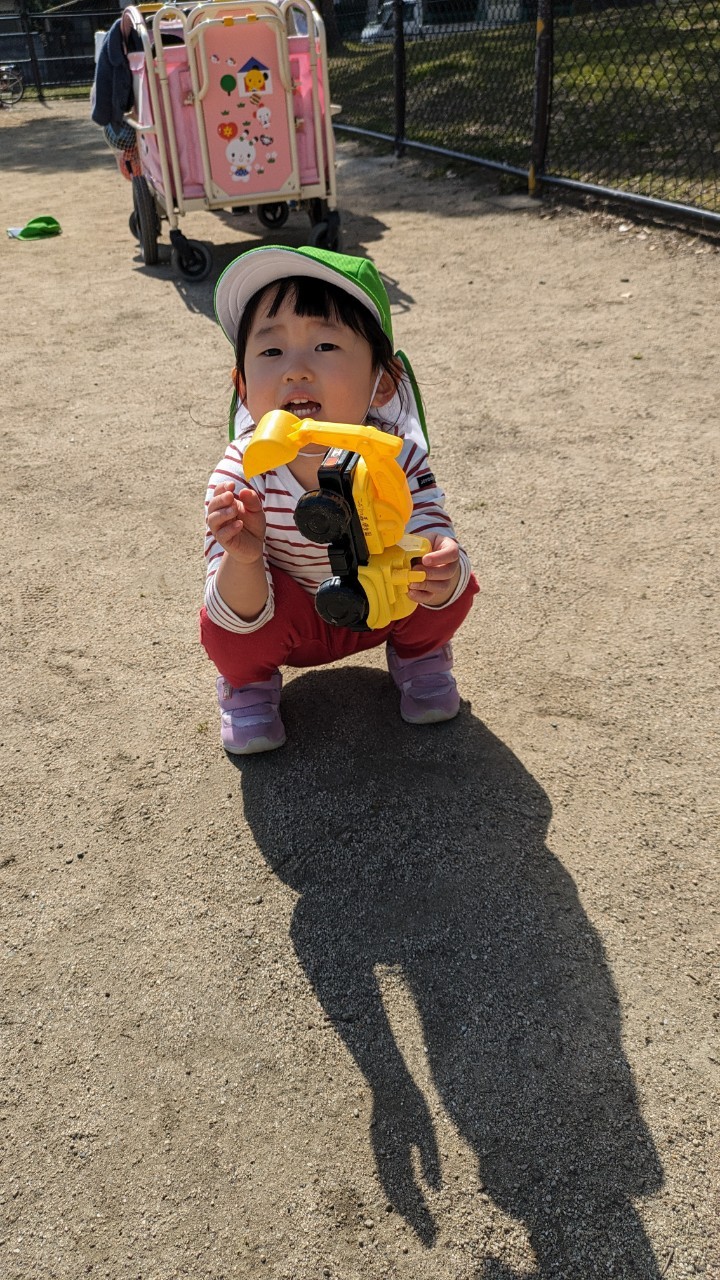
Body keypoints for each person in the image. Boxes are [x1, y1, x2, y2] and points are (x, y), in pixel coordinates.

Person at [200, 245, 479, 754]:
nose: (296, 370)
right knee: (223, 624)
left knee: (453, 575)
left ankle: (419, 657)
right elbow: (234, 608)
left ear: (382, 382)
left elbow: (430, 525)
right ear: (242, 387)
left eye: (325, 345)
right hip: (286, 619)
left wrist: (440, 561)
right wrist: (243, 556)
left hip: (381, 604)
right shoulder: (241, 476)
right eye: (270, 352)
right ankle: (248, 686)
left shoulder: (395, 456)